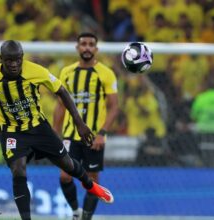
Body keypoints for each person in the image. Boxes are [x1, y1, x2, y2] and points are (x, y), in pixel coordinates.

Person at [0, 40, 114, 220]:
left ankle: (90, 185)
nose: (14, 65)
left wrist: (79, 123)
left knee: (68, 165)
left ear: (22, 58)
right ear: (1, 59)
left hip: (38, 127)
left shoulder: (36, 71)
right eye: (9, 60)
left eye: (17, 60)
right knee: (18, 170)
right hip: (11, 131)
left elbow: (61, 91)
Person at [53, 33, 119, 220]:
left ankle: (86, 217)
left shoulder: (105, 73)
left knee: (92, 182)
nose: (87, 47)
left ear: (96, 49)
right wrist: (54, 133)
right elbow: (60, 105)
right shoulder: (66, 72)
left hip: (94, 138)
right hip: (69, 135)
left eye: (91, 44)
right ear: (77, 48)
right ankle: (75, 212)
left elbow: (115, 107)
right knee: (65, 176)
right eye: (83, 44)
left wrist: (102, 134)